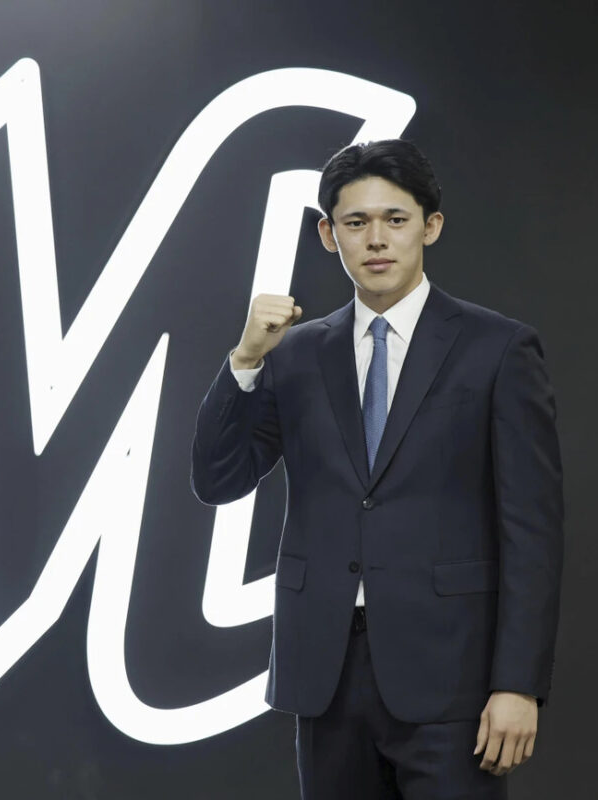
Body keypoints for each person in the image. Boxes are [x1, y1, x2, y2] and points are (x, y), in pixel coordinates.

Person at [190, 139, 564, 799]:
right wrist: (245, 359)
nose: (377, 239)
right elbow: (218, 478)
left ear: (431, 225)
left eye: (395, 218)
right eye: (356, 223)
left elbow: (531, 532)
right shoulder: (294, 354)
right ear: (328, 235)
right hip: (326, 672)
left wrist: (518, 684)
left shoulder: (498, 349)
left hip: (454, 676)